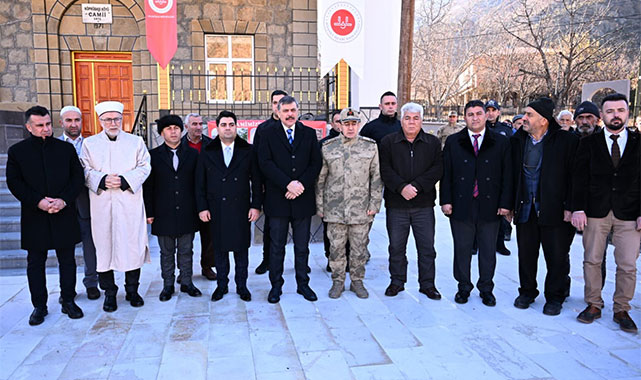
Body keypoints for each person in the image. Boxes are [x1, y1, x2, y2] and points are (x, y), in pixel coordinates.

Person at [6, 106, 85, 325]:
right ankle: (39, 306)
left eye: (48, 124)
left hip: (63, 212)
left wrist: (63, 200)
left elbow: (77, 179)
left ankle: (68, 300)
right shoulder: (17, 152)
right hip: (35, 214)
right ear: (29, 127)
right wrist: (38, 201)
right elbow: (14, 182)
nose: (45, 129)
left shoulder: (66, 150)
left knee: (67, 260)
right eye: (40, 125)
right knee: (35, 262)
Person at [572, 93, 641, 333]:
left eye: (620, 111)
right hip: (595, 211)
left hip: (630, 213)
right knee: (592, 259)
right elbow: (578, 178)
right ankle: (593, 303)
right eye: (610, 111)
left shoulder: (638, 141)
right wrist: (578, 208)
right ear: (602, 115)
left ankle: (621, 308)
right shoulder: (588, 143)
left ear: (627, 113)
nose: (615, 115)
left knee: (628, 265)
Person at [80, 101, 151, 312]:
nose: (113, 123)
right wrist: (101, 179)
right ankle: (109, 293)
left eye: (117, 119)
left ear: (122, 119)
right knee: (104, 249)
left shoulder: (135, 141)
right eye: (108, 119)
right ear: (100, 121)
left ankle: (132, 290)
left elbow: (145, 166)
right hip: (101, 204)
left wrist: (125, 180)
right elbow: (84, 168)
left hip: (129, 201)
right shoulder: (89, 144)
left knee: (132, 246)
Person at [510, 97, 579, 316]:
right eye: (524, 114)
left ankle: (555, 297)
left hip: (555, 210)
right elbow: (509, 176)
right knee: (526, 255)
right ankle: (527, 292)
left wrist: (571, 206)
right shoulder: (518, 141)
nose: (524, 118)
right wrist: (509, 206)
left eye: (529, 115)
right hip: (526, 209)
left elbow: (575, 177)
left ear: (544, 120)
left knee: (556, 256)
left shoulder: (566, 141)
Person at [440, 100, 512, 306]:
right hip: (462, 204)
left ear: (486, 116)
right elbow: (446, 173)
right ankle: (463, 287)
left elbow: (508, 174)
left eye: (479, 113)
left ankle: (486, 288)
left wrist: (505, 203)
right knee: (462, 249)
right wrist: (445, 200)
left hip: (490, 204)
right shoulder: (454, 141)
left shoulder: (500, 141)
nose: (475, 117)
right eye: (470, 114)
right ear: (465, 117)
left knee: (488, 250)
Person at [258, 96, 322, 303]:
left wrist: (300, 185)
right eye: (285, 110)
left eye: (293, 110)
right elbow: (265, 164)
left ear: (297, 110)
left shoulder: (309, 133)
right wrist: (288, 184)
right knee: (276, 246)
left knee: (302, 246)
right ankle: (276, 286)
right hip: (278, 199)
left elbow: (315, 164)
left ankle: (303, 284)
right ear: (278, 112)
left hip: (302, 199)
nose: (290, 114)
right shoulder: (267, 134)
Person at [196, 111, 262, 302]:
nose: (227, 128)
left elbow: (256, 181)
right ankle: (221, 286)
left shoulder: (248, 150)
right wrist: (202, 207)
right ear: (217, 128)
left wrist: (255, 205)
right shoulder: (207, 151)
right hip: (216, 209)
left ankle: (242, 286)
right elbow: (199, 183)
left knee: (241, 250)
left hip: (241, 208)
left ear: (236, 127)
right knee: (220, 250)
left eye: (231, 124)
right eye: (223, 124)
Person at [380, 103, 444, 299]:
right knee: (396, 247)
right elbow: (384, 169)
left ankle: (427, 284)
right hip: (397, 205)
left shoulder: (432, 142)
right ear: (401, 120)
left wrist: (416, 186)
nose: (411, 122)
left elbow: (437, 168)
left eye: (416, 118)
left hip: (423, 205)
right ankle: (397, 282)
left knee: (426, 248)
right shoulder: (388, 142)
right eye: (407, 118)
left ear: (422, 120)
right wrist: (401, 188)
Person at [316, 107, 382, 299]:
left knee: (359, 248)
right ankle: (337, 281)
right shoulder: (328, 147)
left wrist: (374, 204)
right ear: (340, 125)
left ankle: (357, 281)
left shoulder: (370, 147)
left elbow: (376, 177)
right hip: (335, 208)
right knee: (336, 248)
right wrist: (320, 206)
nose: (351, 128)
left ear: (359, 125)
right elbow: (320, 179)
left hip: (361, 209)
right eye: (347, 124)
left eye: (354, 124)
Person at [144, 115, 202, 302]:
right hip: (163, 212)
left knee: (186, 249)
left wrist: (200, 208)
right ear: (162, 133)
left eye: (176, 128)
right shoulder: (152, 156)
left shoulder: (192, 155)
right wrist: (150, 212)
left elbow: (199, 185)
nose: (173, 131)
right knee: (166, 251)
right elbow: (148, 187)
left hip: (187, 210)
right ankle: (168, 284)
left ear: (181, 130)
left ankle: (187, 282)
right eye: (168, 128)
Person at [58, 106, 100, 301]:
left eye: (77, 120)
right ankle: (67, 288)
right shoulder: (54, 145)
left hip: (86, 202)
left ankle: (91, 283)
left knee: (90, 245)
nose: (73, 124)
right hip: (62, 204)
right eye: (69, 120)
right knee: (64, 249)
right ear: (61, 123)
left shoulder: (92, 145)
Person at [252, 90, 287, 275]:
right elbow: (258, 162)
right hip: (271, 188)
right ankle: (267, 259)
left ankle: (299, 261)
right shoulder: (263, 129)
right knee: (270, 227)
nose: (278, 105)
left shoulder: (295, 127)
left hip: (292, 188)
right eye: (275, 102)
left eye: (282, 102)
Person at [181, 113, 216, 281]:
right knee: (184, 237)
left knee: (209, 236)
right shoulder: (179, 145)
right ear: (186, 126)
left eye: (200, 124)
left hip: (207, 197)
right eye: (194, 124)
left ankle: (207, 266)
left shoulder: (210, 144)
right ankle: (184, 270)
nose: (198, 127)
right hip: (185, 197)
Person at [318, 109, 350, 272]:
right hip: (331, 198)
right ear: (332, 124)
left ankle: (350, 260)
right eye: (337, 121)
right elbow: (319, 175)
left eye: (342, 121)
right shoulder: (324, 144)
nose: (340, 125)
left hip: (352, 198)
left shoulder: (355, 143)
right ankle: (331, 259)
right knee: (331, 232)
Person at [485, 100, 513, 255]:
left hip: (500, 174)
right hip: (482, 173)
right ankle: (475, 243)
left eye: (493, 110)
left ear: (498, 112)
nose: (490, 113)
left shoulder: (505, 129)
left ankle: (500, 243)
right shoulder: (479, 128)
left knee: (501, 211)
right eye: (487, 110)